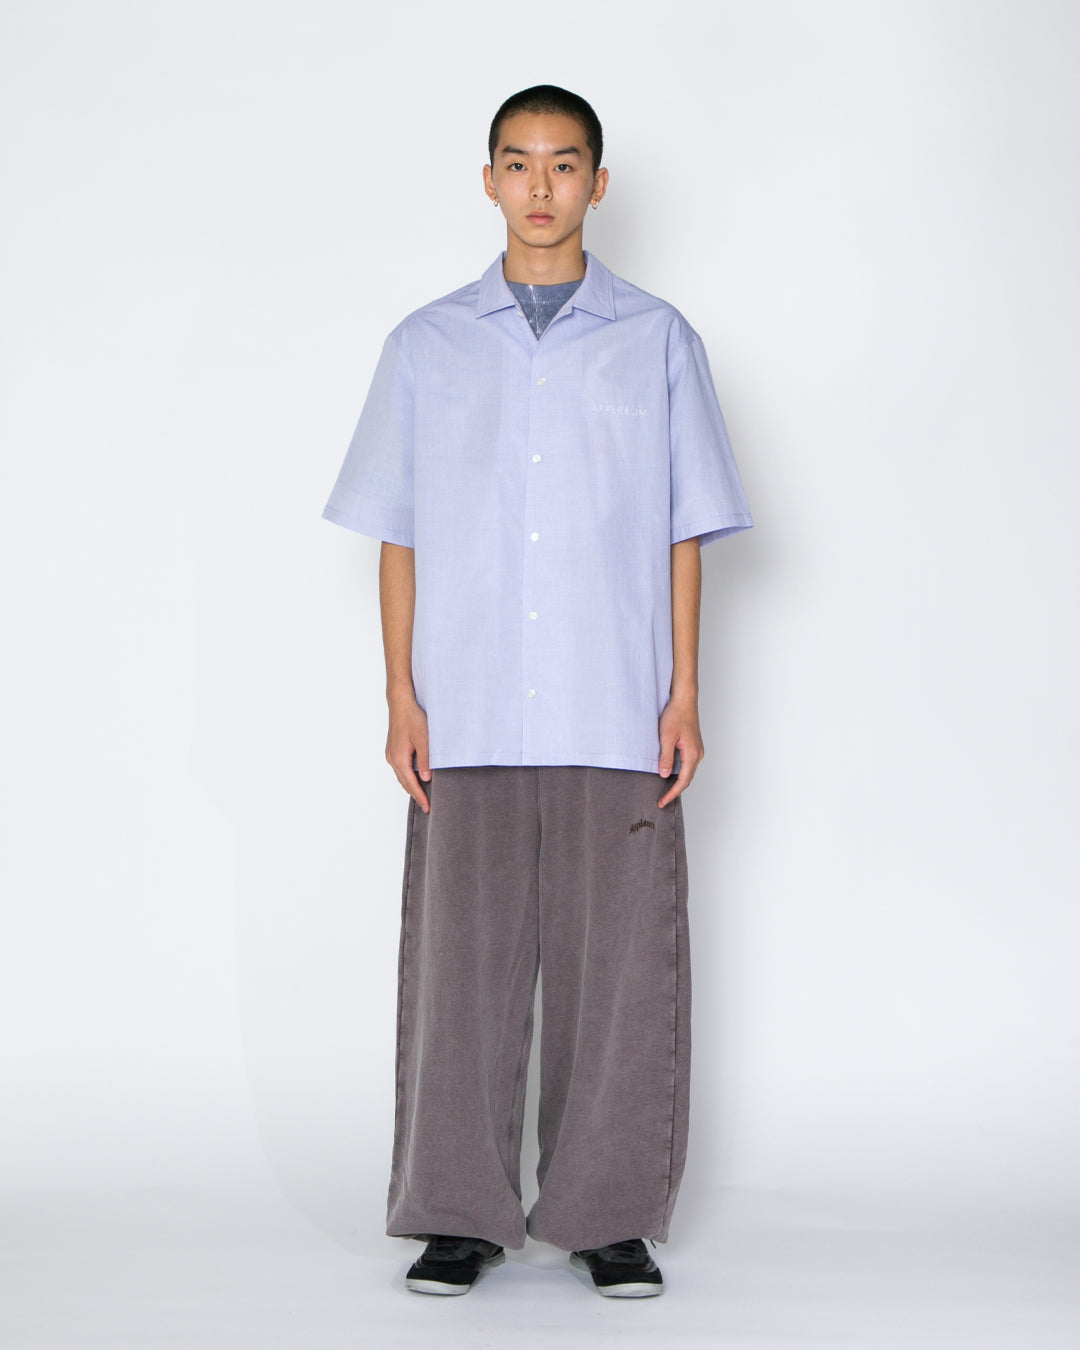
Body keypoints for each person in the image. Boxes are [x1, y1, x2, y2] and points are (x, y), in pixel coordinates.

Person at [323, 84, 753, 1299]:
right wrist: (402, 696)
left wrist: (684, 693)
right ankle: (457, 1212)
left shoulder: (657, 339)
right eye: (519, 163)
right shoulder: (426, 343)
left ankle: (607, 1215)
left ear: (597, 184)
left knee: (621, 971)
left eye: (565, 164)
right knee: (460, 968)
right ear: (489, 181)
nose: (542, 186)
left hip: (616, 701)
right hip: (466, 706)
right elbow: (398, 532)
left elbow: (684, 529)